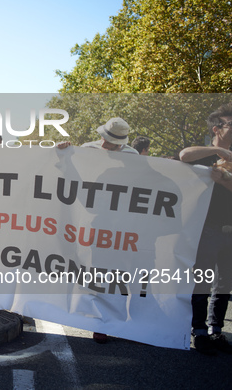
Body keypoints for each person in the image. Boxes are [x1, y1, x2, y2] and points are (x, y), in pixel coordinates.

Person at [58, 117, 139, 344]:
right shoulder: (87, 150)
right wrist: (65, 154)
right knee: (99, 272)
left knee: (120, 273)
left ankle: (118, 320)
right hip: (96, 220)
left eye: (111, 142)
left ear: (121, 143)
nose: (105, 143)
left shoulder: (133, 157)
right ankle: (100, 322)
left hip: (124, 224)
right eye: (105, 138)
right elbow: (74, 177)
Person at [179, 103, 232, 355]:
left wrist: (225, 183)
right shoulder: (206, 154)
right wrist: (217, 149)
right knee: (202, 283)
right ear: (217, 129)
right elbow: (184, 155)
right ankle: (200, 332)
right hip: (207, 230)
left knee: (224, 286)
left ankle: (216, 331)